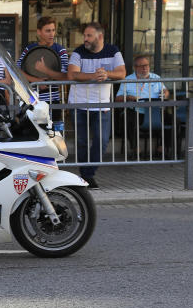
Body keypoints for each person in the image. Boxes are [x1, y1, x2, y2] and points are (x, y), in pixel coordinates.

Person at [67, 22, 126, 189]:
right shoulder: (78, 52)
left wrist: (107, 74)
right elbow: (72, 74)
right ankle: (87, 176)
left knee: (101, 141)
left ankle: (88, 173)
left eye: (89, 36)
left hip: (101, 105)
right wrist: (94, 75)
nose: (85, 39)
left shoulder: (113, 51)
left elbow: (122, 73)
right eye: (84, 35)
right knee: (82, 142)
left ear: (99, 37)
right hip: (79, 104)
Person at [17, 16, 69, 130]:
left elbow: (65, 75)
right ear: (39, 32)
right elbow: (17, 71)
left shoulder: (60, 50)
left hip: (53, 99)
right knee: (32, 133)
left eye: (53, 30)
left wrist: (46, 75)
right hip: (31, 100)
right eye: (48, 30)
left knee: (55, 134)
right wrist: (37, 81)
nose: (51, 34)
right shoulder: (29, 49)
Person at [115, 54, 169, 154]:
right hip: (138, 112)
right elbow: (117, 98)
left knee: (173, 120)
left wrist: (164, 94)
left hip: (155, 111)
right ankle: (135, 148)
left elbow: (166, 91)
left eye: (146, 65)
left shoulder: (156, 77)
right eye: (141, 66)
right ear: (135, 68)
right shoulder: (128, 80)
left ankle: (162, 147)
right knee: (127, 118)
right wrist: (128, 98)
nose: (144, 68)